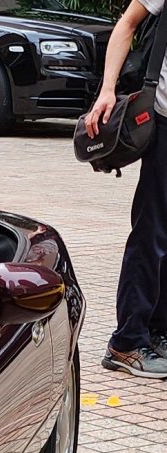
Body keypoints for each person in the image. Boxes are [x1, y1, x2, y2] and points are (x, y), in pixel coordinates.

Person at [85, 0, 167, 377]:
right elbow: (127, 24)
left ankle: (156, 332)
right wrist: (107, 90)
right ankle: (127, 342)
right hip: (164, 122)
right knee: (152, 231)